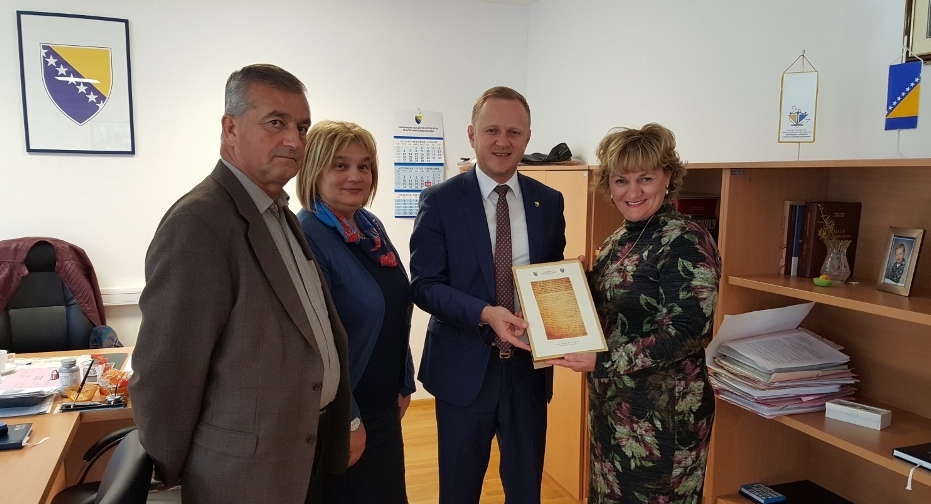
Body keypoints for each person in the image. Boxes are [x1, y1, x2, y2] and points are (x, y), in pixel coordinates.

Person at [130, 64, 351, 504]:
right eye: (276, 122)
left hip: (301, 451)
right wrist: (170, 470)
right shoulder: (199, 223)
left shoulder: (279, 213)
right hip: (241, 474)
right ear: (231, 129)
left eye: (301, 127)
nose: (295, 140)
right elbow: (166, 371)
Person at [548, 123, 721, 504]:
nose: (632, 191)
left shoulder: (686, 239)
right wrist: (576, 284)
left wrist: (603, 360)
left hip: (665, 417)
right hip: (616, 410)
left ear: (668, 177)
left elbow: (688, 331)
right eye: (621, 180)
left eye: (645, 178)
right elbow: (618, 311)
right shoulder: (620, 238)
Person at [409, 86, 566, 504]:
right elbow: (424, 285)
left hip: (528, 373)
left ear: (528, 138)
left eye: (514, 132)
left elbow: (550, 280)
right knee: (459, 492)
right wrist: (485, 313)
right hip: (462, 372)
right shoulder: (440, 201)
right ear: (471, 134)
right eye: (492, 130)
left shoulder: (549, 202)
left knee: (526, 491)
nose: (502, 141)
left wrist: (571, 285)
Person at [295, 120, 416, 503]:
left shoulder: (368, 226)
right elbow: (317, 343)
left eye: (364, 166)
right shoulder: (308, 234)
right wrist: (348, 419)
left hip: (383, 404)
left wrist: (404, 382)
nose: (355, 176)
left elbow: (396, 310)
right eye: (340, 165)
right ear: (314, 170)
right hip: (344, 412)